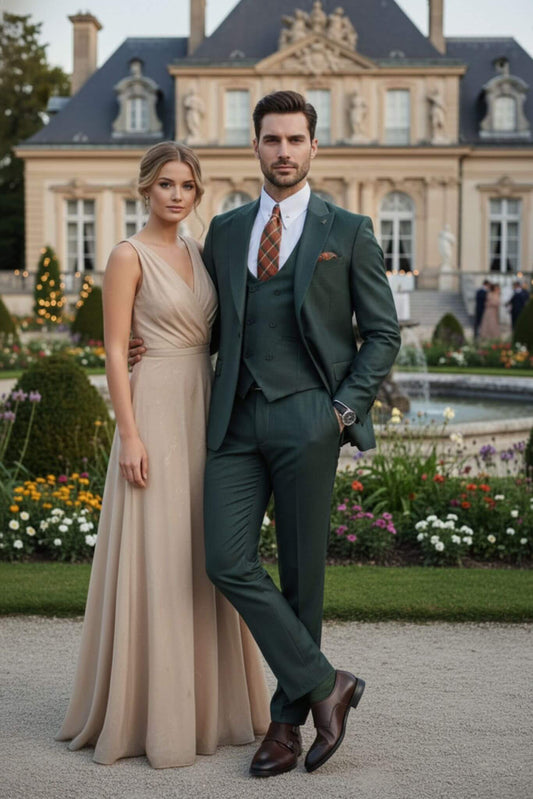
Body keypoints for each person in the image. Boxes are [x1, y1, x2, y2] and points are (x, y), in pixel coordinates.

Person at [130, 91, 401, 777]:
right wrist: (149, 345)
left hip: (310, 417)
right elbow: (205, 322)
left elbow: (382, 333)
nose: (283, 151)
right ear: (255, 146)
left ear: (314, 148)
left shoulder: (350, 230)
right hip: (235, 418)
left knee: (303, 577)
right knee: (224, 558)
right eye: (271, 139)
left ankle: (284, 727)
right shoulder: (224, 229)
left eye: (295, 139)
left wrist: (340, 411)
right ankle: (325, 682)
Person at [56, 141, 269, 769]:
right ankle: (150, 710)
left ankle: (211, 706)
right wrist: (130, 434)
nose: (177, 195)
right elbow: (115, 349)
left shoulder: (199, 254)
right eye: (166, 184)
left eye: (187, 186)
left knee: (203, 551)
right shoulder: (128, 256)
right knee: (158, 548)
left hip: (204, 406)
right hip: (152, 411)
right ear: (145, 188)